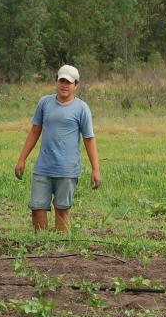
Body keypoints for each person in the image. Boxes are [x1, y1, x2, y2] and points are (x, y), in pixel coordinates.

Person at [14, 64, 101, 232]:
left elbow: (89, 139)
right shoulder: (44, 103)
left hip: (67, 170)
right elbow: (34, 131)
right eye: (62, 81)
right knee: (37, 208)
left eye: (69, 82)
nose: (64, 85)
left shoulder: (82, 108)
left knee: (62, 209)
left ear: (76, 85)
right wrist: (21, 159)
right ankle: (41, 245)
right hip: (43, 168)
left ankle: (60, 250)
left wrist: (95, 169)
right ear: (56, 81)